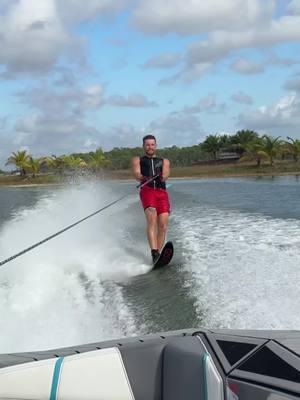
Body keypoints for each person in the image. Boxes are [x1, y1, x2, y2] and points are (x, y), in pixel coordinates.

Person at [132, 134, 170, 263]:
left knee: (163, 224)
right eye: (147, 145)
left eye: (152, 144)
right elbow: (137, 173)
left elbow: (165, 175)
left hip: (161, 192)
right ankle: (154, 252)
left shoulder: (164, 161)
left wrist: (161, 177)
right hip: (147, 191)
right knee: (152, 215)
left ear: (156, 146)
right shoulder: (138, 160)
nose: (150, 147)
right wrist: (142, 178)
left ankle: (159, 252)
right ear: (143, 146)